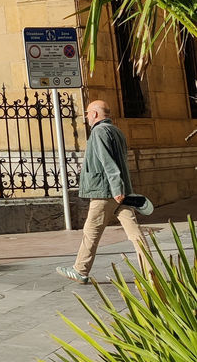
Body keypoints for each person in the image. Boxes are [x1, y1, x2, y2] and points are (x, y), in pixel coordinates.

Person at [57, 99, 150, 284]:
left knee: (91, 230)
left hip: (105, 192)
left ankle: (80, 270)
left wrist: (115, 188)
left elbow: (107, 162)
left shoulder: (99, 132)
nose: (86, 117)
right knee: (135, 233)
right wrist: (121, 189)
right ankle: (150, 271)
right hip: (121, 192)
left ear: (95, 114)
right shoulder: (117, 131)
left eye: (87, 113)